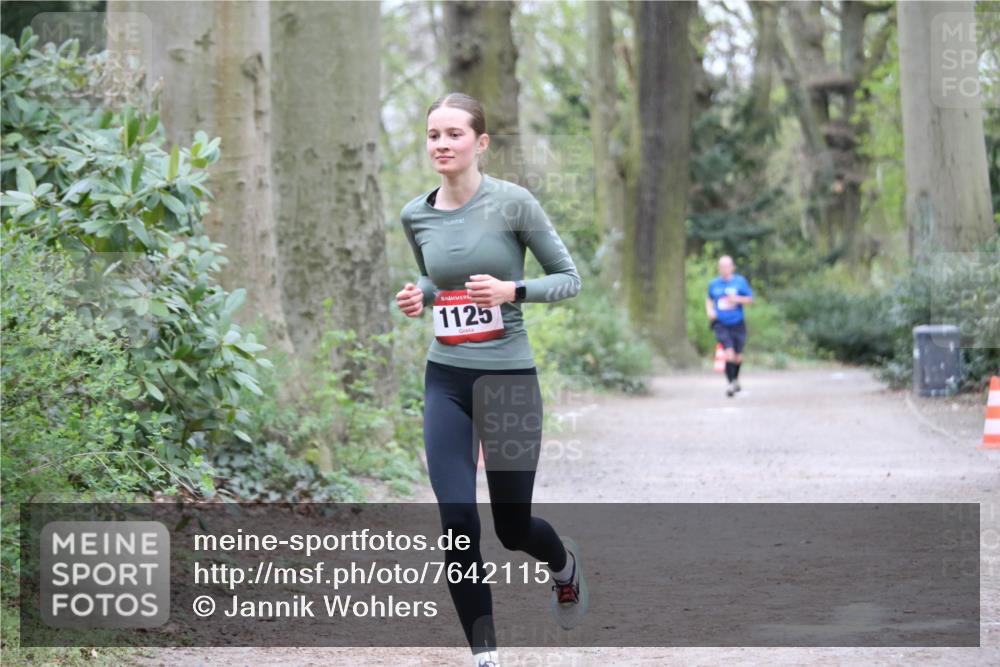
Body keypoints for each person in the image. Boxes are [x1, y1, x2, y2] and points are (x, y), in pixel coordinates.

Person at [395, 92, 589, 667]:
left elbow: (569, 279)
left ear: (480, 143)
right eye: (434, 134)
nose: (442, 144)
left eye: (454, 134)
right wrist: (418, 294)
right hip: (446, 380)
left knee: (511, 526)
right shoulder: (415, 213)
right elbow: (436, 281)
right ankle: (486, 656)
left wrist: (513, 291)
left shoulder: (514, 204)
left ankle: (563, 565)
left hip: (508, 379)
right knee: (457, 521)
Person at [705, 255, 753, 397]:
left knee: (738, 357)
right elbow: (709, 299)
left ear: (732, 267)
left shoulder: (740, 282)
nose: (724, 269)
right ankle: (731, 384)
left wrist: (737, 299)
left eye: (727, 266)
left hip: (737, 322)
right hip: (721, 323)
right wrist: (710, 311)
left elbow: (750, 299)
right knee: (728, 353)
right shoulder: (714, 284)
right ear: (718, 268)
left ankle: (735, 380)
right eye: (722, 266)